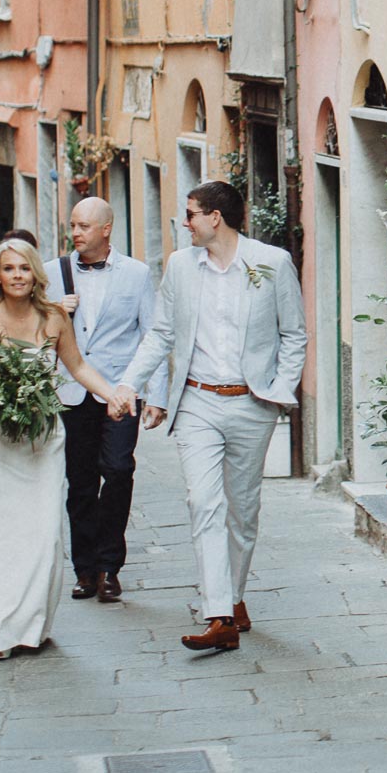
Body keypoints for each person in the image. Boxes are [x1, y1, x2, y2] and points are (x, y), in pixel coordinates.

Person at [121, 180, 306, 653]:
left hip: (252, 403)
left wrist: (278, 390)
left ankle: (235, 597)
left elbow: (295, 335)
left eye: (190, 214)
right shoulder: (181, 268)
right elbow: (161, 334)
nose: (185, 223)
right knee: (204, 503)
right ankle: (219, 613)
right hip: (198, 402)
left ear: (215, 217)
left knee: (242, 512)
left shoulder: (271, 263)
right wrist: (129, 384)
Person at [0, 238, 137, 659]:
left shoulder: (53, 318)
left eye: (24, 268)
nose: (17, 276)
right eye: (9, 268)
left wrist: (114, 395)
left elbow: (79, 367)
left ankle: (28, 625)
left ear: (36, 274)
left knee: (39, 532)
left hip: (41, 438)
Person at [46, 198, 161, 603]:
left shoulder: (137, 274)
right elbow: (35, 331)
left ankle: (111, 565)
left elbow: (153, 335)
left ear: (106, 229)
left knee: (117, 470)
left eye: (84, 226)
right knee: (79, 482)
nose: (75, 233)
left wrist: (155, 396)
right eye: (73, 226)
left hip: (120, 391)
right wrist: (55, 312)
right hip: (72, 391)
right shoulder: (51, 274)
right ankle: (85, 569)